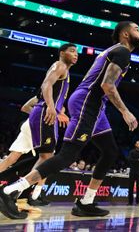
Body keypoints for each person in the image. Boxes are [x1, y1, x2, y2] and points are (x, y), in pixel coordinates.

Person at [0, 21, 139, 220]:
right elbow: (107, 85)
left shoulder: (114, 51)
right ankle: (10, 191)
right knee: (66, 156)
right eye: (137, 29)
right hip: (87, 103)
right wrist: (125, 111)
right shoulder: (122, 51)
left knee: (110, 151)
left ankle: (86, 202)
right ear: (125, 34)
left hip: (95, 106)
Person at [25, 43, 79, 207]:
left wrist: (59, 110)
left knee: (46, 158)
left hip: (48, 113)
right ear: (62, 53)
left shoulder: (66, 71)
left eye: (77, 52)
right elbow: (46, 84)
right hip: (44, 112)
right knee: (47, 158)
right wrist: (50, 106)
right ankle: (19, 192)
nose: (76, 54)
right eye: (72, 51)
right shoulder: (59, 65)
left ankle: (33, 194)